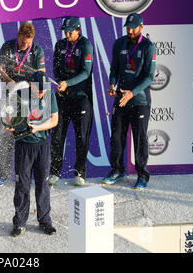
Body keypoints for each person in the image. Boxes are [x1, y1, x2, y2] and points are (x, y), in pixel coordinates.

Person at [103, 13, 156, 190]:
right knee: (116, 137)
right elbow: (114, 69)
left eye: (133, 27)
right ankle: (117, 170)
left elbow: (149, 77)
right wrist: (112, 84)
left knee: (140, 139)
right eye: (128, 27)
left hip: (139, 100)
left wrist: (131, 93)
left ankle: (142, 174)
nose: (130, 30)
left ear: (141, 27)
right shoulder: (119, 43)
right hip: (120, 98)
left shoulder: (149, 47)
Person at [0, 21, 46, 187]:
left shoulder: (37, 50)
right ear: (18, 36)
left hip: (29, 95)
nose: (26, 45)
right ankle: (2, 172)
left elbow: (41, 76)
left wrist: (31, 89)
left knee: (29, 132)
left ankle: (28, 173)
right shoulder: (8, 47)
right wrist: (11, 82)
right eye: (23, 42)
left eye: (28, 43)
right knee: (8, 131)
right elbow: (0, 70)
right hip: (10, 91)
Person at [7, 71, 58, 237]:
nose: (42, 92)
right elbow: (10, 118)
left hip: (42, 145)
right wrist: (11, 125)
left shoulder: (49, 96)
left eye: (44, 89)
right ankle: (20, 222)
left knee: (43, 183)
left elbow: (54, 120)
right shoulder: (19, 96)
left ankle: (45, 220)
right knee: (22, 185)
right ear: (31, 84)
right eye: (39, 89)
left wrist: (37, 127)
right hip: (24, 146)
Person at [49, 17, 94, 187]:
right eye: (65, 32)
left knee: (81, 137)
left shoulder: (85, 45)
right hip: (63, 98)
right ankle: (54, 172)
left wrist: (69, 83)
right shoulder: (60, 45)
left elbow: (86, 72)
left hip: (81, 98)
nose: (67, 35)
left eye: (70, 32)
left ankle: (80, 173)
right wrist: (60, 82)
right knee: (57, 136)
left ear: (78, 29)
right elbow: (55, 67)